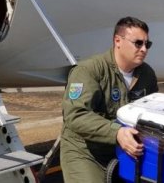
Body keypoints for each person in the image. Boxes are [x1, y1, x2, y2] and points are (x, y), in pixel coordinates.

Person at [60, 16, 158, 183]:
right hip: (85, 151)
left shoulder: (147, 74)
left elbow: (154, 110)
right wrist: (117, 132)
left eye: (147, 44)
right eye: (138, 43)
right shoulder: (89, 70)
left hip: (123, 150)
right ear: (118, 41)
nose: (143, 49)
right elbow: (75, 115)